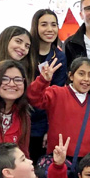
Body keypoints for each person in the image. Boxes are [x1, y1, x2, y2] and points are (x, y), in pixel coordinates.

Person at [28, 57, 90, 171]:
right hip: (60, 157)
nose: (86, 79)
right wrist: (43, 80)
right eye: (81, 74)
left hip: (89, 161)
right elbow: (33, 98)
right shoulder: (57, 93)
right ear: (71, 76)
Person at [28, 10, 67, 160]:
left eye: (54, 25)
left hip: (42, 121)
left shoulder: (59, 57)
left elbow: (56, 96)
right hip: (22, 117)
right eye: (44, 24)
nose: (50, 29)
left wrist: (50, 128)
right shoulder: (25, 52)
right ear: (35, 27)